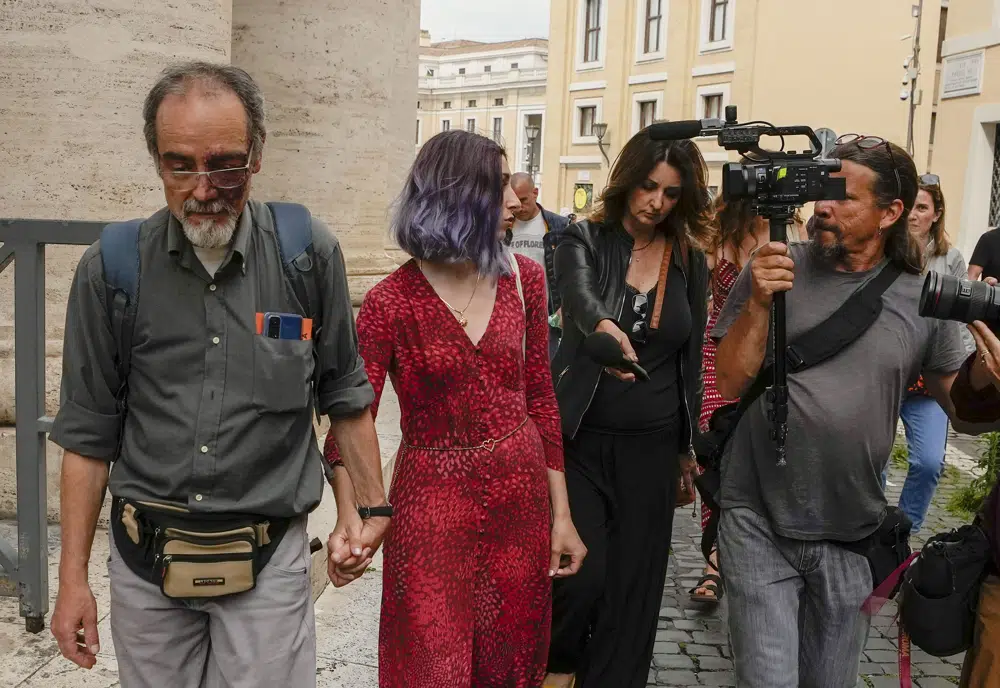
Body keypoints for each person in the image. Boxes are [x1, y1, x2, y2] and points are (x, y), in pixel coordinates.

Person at [46, 62, 391, 687]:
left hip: (268, 563)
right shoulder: (112, 270)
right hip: (144, 563)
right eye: (180, 164)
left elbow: (344, 391)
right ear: (157, 162)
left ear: (256, 156)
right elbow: (87, 439)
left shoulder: (306, 253)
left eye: (225, 163)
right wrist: (72, 583)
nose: (203, 188)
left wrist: (366, 510)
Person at [711, 134, 994, 687]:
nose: (822, 206)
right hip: (757, 518)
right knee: (767, 680)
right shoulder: (775, 267)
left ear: (891, 212)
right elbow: (727, 380)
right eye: (821, 191)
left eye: (844, 197)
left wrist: (987, 375)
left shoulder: (923, 297)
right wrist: (760, 304)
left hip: (852, 532)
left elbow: (962, 412)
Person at [323, 129, 587, 688]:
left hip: (520, 498)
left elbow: (541, 399)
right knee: (428, 664)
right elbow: (352, 418)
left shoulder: (526, 280)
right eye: (498, 186)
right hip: (429, 505)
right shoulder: (390, 301)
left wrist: (561, 518)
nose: (516, 198)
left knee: (508, 663)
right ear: (456, 195)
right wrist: (353, 517)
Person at [543, 129, 712, 688]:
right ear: (627, 182)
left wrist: (686, 448)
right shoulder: (582, 237)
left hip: (653, 448)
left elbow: (690, 359)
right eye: (647, 187)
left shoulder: (689, 257)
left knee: (633, 595)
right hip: (582, 441)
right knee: (581, 576)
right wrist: (602, 326)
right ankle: (559, 668)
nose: (655, 203)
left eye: (669, 194)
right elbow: (578, 295)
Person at [692, 196, 777, 604]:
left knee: (763, 450)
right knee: (717, 451)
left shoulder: (788, 230)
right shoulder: (718, 231)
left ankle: (755, 554)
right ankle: (713, 562)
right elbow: (698, 287)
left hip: (771, 353)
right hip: (719, 349)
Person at [891, 174, 975, 532]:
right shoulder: (887, 252)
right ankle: (868, 537)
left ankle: (902, 534)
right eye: (909, 206)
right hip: (891, 371)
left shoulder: (950, 258)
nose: (913, 215)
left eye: (922, 208)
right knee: (871, 462)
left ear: (936, 214)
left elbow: (958, 321)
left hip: (931, 379)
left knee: (928, 462)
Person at [508, 172, 571, 359]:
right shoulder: (504, 226)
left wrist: (564, 306)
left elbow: (571, 271)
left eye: (524, 199)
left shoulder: (558, 226)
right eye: (515, 200)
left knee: (548, 369)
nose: (519, 206)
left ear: (535, 193)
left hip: (547, 314)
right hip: (511, 312)